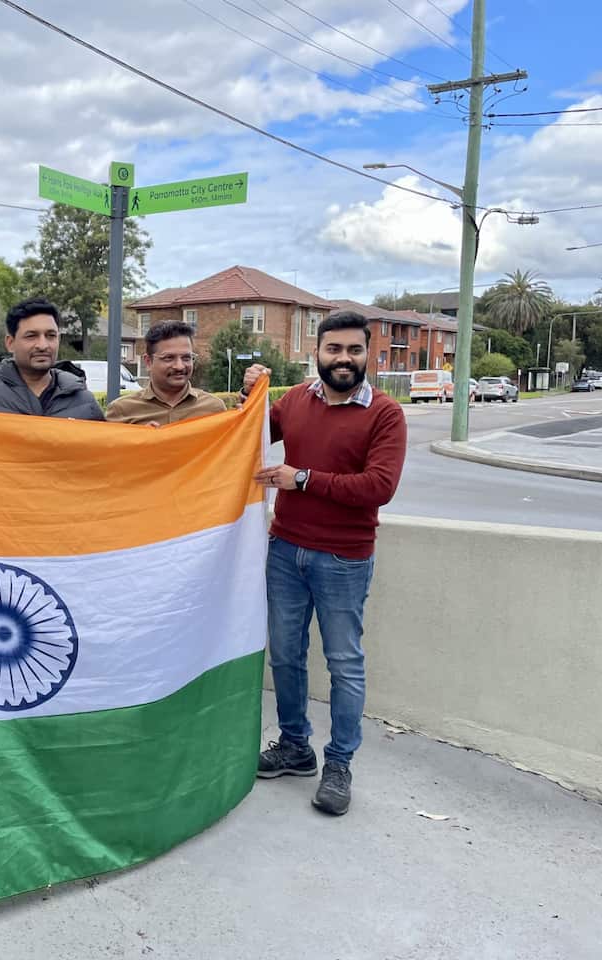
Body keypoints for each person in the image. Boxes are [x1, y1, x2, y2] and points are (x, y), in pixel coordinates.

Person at [242, 310, 406, 816]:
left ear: (368, 354)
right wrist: (251, 394)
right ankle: (295, 746)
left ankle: (339, 764)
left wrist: (304, 479)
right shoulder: (294, 401)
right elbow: (242, 433)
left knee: (344, 663)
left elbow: (379, 487)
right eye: (334, 349)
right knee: (286, 656)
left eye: (354, 350)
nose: (343, 359)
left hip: (343, 559)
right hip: (285, 551)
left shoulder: (385, 413)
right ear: (316, 352)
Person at [0, 298, 104, 420]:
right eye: (31, 336)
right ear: (10, 343)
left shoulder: (85, 403)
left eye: (50, 336)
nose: (43, 345)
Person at [105, 320, 225, 426]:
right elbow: (108, 450)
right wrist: (138, 441)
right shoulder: (121, 411)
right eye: (169, 358)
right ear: (148, 362)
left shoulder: (214, 409)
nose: (179, 366)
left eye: (186, 358)